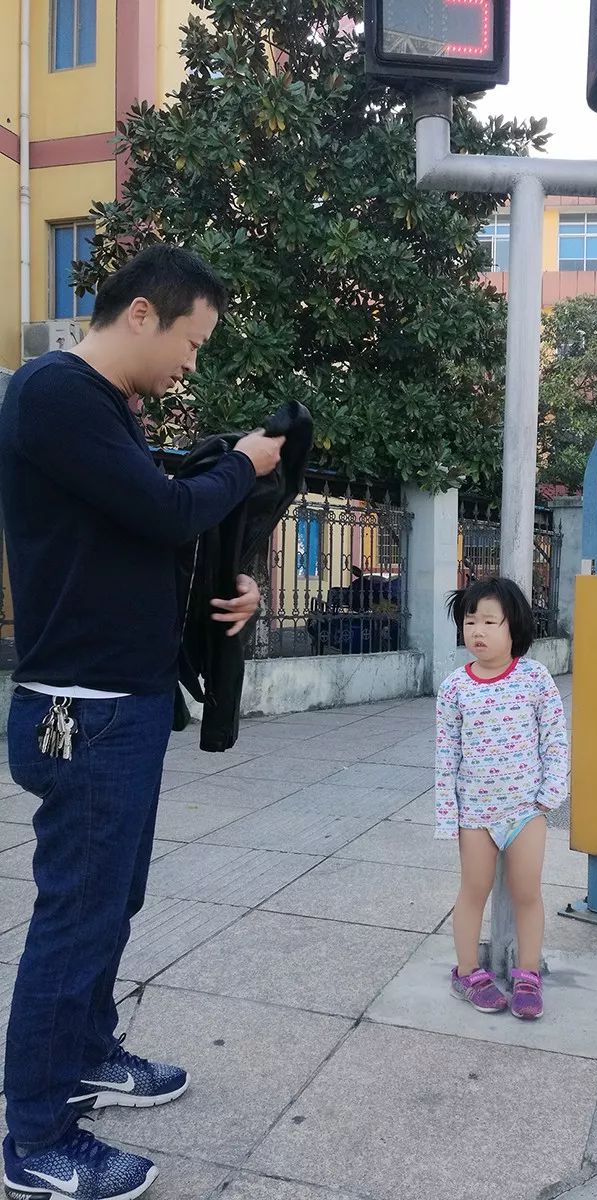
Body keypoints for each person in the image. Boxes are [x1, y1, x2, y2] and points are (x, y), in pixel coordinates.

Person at [0, 244, 284, 1200]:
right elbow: (166, 513)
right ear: (142, 317)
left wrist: (233, 592)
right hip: (81, 712)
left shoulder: (107, 413)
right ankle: (35, 1139)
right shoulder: (53, 394)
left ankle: (84, 1056)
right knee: (75, 918)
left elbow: (147, 538)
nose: (190, 366)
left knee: (109, 904)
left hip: (122, 701)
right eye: (192, 343)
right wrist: (242, 468)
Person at [434, 577, 569, 1021]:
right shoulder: (455, 687)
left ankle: (527, 972)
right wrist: (447, 814)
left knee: (527, 891)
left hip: (526, 810)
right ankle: (468, 972)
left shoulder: (535, 678)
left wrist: (551, 794)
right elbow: (447, 754)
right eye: (471, 621)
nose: (479, 631)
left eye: (491, 621)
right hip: (475, 814)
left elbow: (554, 739)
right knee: (473, 890)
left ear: (515, 628)